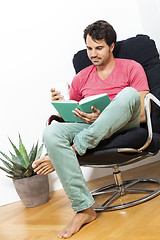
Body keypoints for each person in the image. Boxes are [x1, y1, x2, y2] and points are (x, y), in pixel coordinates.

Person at [32, 20, 150, 238]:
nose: (93, 54)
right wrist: (60, 105)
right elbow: (70, 116)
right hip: (90, 127)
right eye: (89, 48)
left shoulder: (132, 67)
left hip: (126, 121)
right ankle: (84, 209)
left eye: (99, 47)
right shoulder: (81, 77)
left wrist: (105, 116)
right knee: (51, 132)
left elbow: (144, 113)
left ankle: (76, 148)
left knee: (129, 94)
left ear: (112, 46)